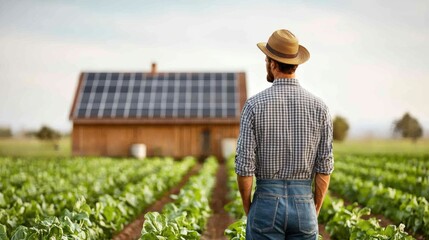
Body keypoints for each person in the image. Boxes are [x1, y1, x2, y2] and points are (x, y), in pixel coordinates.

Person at [235, 29, 334, 240]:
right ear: (295, 64)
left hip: (265, 203)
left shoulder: (254, 105)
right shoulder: (320, 108)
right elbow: (325, 167)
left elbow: (244, 167)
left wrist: (249, 208)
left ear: (272, 63)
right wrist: (312, 210)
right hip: (304, 203)